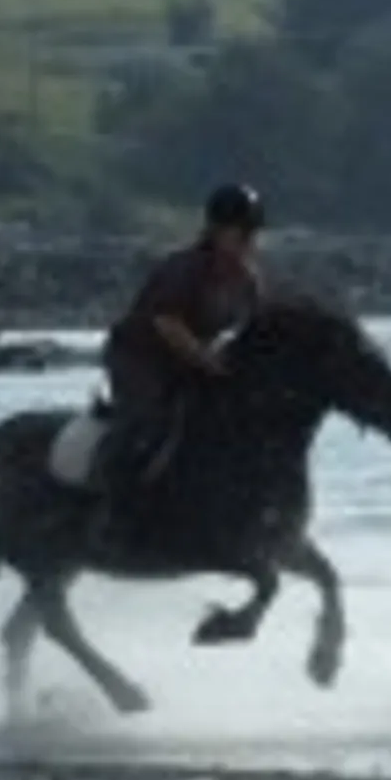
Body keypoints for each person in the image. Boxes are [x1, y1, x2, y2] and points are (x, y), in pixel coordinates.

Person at [92, 182, 268, 529]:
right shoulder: (185, 268)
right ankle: (110, 505)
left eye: (253, 232)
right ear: (217, 231)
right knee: (149, 422)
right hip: (140, 360)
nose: (249, 240)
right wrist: (206, 358)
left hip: (187, 363)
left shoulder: (247, 281)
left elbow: (253, 328)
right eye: (241, 232)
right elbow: (166, 321)